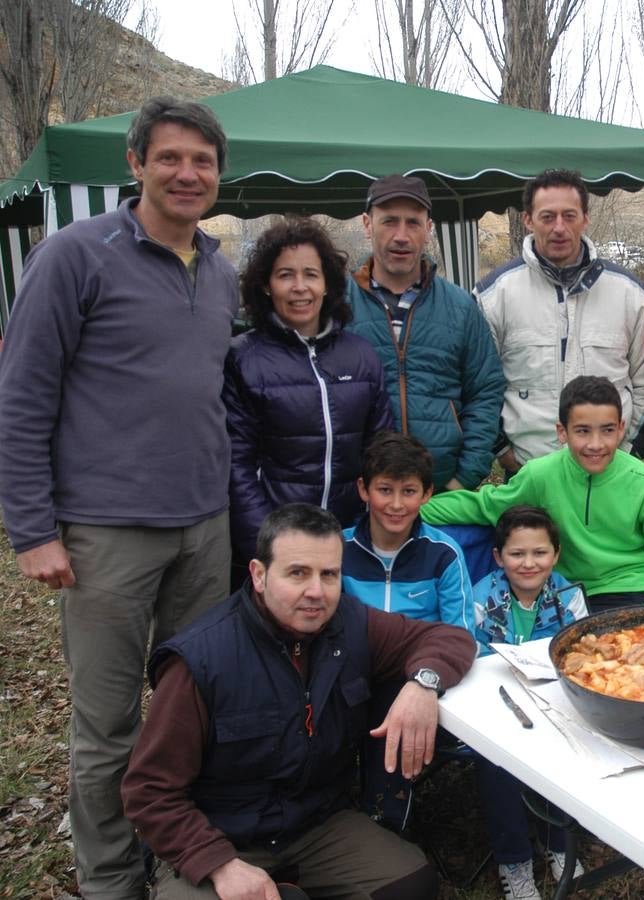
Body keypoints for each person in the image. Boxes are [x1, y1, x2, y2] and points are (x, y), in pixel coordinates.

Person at [0, 97, 236, 899]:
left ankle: (180, 867)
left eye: (202, 161)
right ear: (134, 164)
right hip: (106, 534)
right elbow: (23, 395)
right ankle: (109, 881)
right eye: (169, 157)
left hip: (204, 529)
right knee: (107, 729)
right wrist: (33, 529)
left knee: (188, 715)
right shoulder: (74, 255)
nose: (186, 173)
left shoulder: (221, 269)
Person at [121, 503, 476, 898]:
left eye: (329, 575)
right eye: (297, 573)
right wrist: (218, 864)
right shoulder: (202, 660)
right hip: (221, 836)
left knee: (411, 883)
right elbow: (149, 789)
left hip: (316, 825)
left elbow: (451, 639)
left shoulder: (350, 622)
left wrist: (423, 684)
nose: (316, 592)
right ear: (258, 574)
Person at [421, 376, 644, 612]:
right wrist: (412, 507)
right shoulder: (540, 475)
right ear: (562, 432)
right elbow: (482, 506)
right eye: (583, 431)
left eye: (608, 430)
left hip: (633, 590)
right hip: (563, 592)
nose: (596, 444)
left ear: (621, 429)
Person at [225, 217, 394, 565]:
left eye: (311, 275)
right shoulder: (242, 359)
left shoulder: (360, 355)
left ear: (328, 284)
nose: (299, 287)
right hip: (276, 547)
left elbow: (381, 452)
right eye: (285, 275)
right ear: (267, 285)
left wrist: (370, 533)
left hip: (350, 540)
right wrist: (267, 547)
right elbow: (236, 466)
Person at [475, 169, 644, 472]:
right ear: (527, 220)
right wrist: (503, 451)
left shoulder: (630, 293)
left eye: (569, 216)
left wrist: (630, 451)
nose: (559, 227)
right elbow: (478, 385)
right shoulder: (493, 295)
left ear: (585, 218)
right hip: (528, 473)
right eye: (547, 217)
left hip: (611, 473)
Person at [341, 431, 477, 829]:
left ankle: (384, 821)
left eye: (409, 491)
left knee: (391, 706)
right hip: (348, 672)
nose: (397, 504)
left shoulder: (443, 554)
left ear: (427, 494)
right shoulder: (338, 548)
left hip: (413, 676)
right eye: (385, 489)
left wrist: (426, 679)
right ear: (364, 490)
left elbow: (462, 635)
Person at [347, 174, 506, 491]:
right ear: (367, 224)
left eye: (413, 223)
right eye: (389, 222)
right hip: (359, 494)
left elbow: (485, 392)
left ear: (429, 228)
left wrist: (465, 477)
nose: (401, 236)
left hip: (442, 492)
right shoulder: (337, 306)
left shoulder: (460, 307)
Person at [470, 505, 589, 900]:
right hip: (498, 703)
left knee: (568, 752)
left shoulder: (568, 596)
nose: (528, 563)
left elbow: (583, 654)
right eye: (517, 554)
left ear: (555, 554)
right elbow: (472, 653)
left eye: (539, 553)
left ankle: (558, 843)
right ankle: (514, 860)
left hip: (553, 700)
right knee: (497, 765)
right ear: (498, 556)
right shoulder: (482, 598)